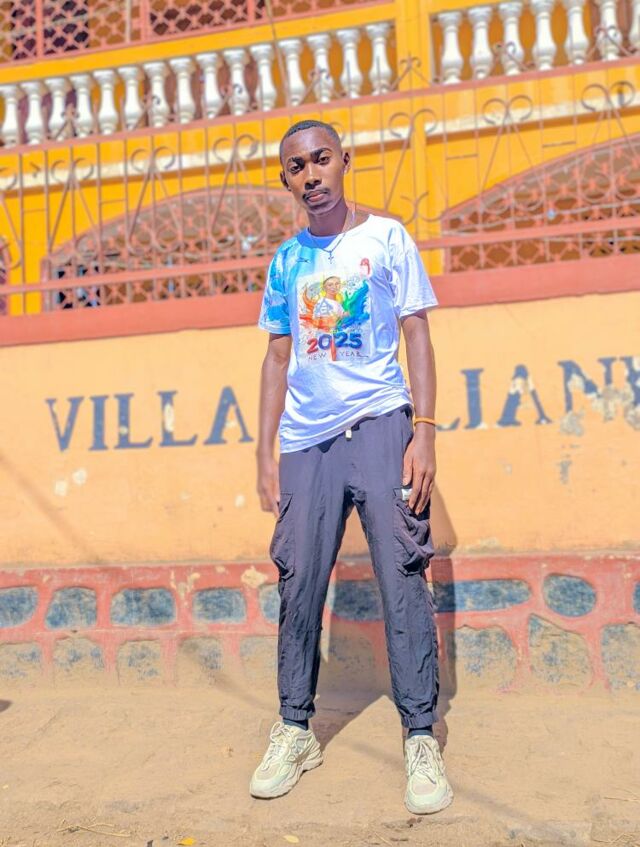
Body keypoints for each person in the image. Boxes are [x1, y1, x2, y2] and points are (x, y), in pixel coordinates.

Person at [251, 119, 453, 815]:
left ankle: (420, 735)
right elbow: (276, 357)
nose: (310, 175)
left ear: (344, 160)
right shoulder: (286, 262)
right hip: (307, 442)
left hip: (381, 424)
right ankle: (294, 729)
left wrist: (424, 432)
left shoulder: (388, 238)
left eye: (320, 160)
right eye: (295, 167)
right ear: (286, 180)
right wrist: (265, 452)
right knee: (298, 580)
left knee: (402, 575)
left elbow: (417, 333)